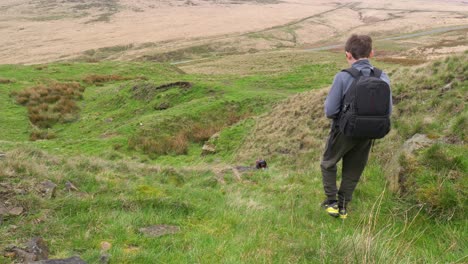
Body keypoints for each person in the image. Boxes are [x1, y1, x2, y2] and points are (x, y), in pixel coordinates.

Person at [320, 34, 392, 219]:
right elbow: (388, 109)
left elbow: (330, 110)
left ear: (348, 54)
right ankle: (344, 207)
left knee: (328, 163)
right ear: (371, 53)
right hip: (370, 132)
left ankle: (332, 203)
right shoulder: (382, 76)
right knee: (353, 169)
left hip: (344, 130)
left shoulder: (343, 77)